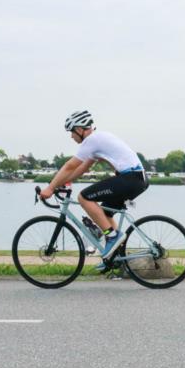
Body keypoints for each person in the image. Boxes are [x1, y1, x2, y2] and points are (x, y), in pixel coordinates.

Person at [41, 110, 148, 270]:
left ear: (79, 129)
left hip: (131, 178)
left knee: (84, 197)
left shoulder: (91, 140)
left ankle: (112, 236)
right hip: (137, 179)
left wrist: (49, 188)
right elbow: (81, 170)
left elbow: (70, 165)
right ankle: (116, 258)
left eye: (71, 132)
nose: (71, 137)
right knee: (104, 213)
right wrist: (58, 184)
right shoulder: (98, 140)